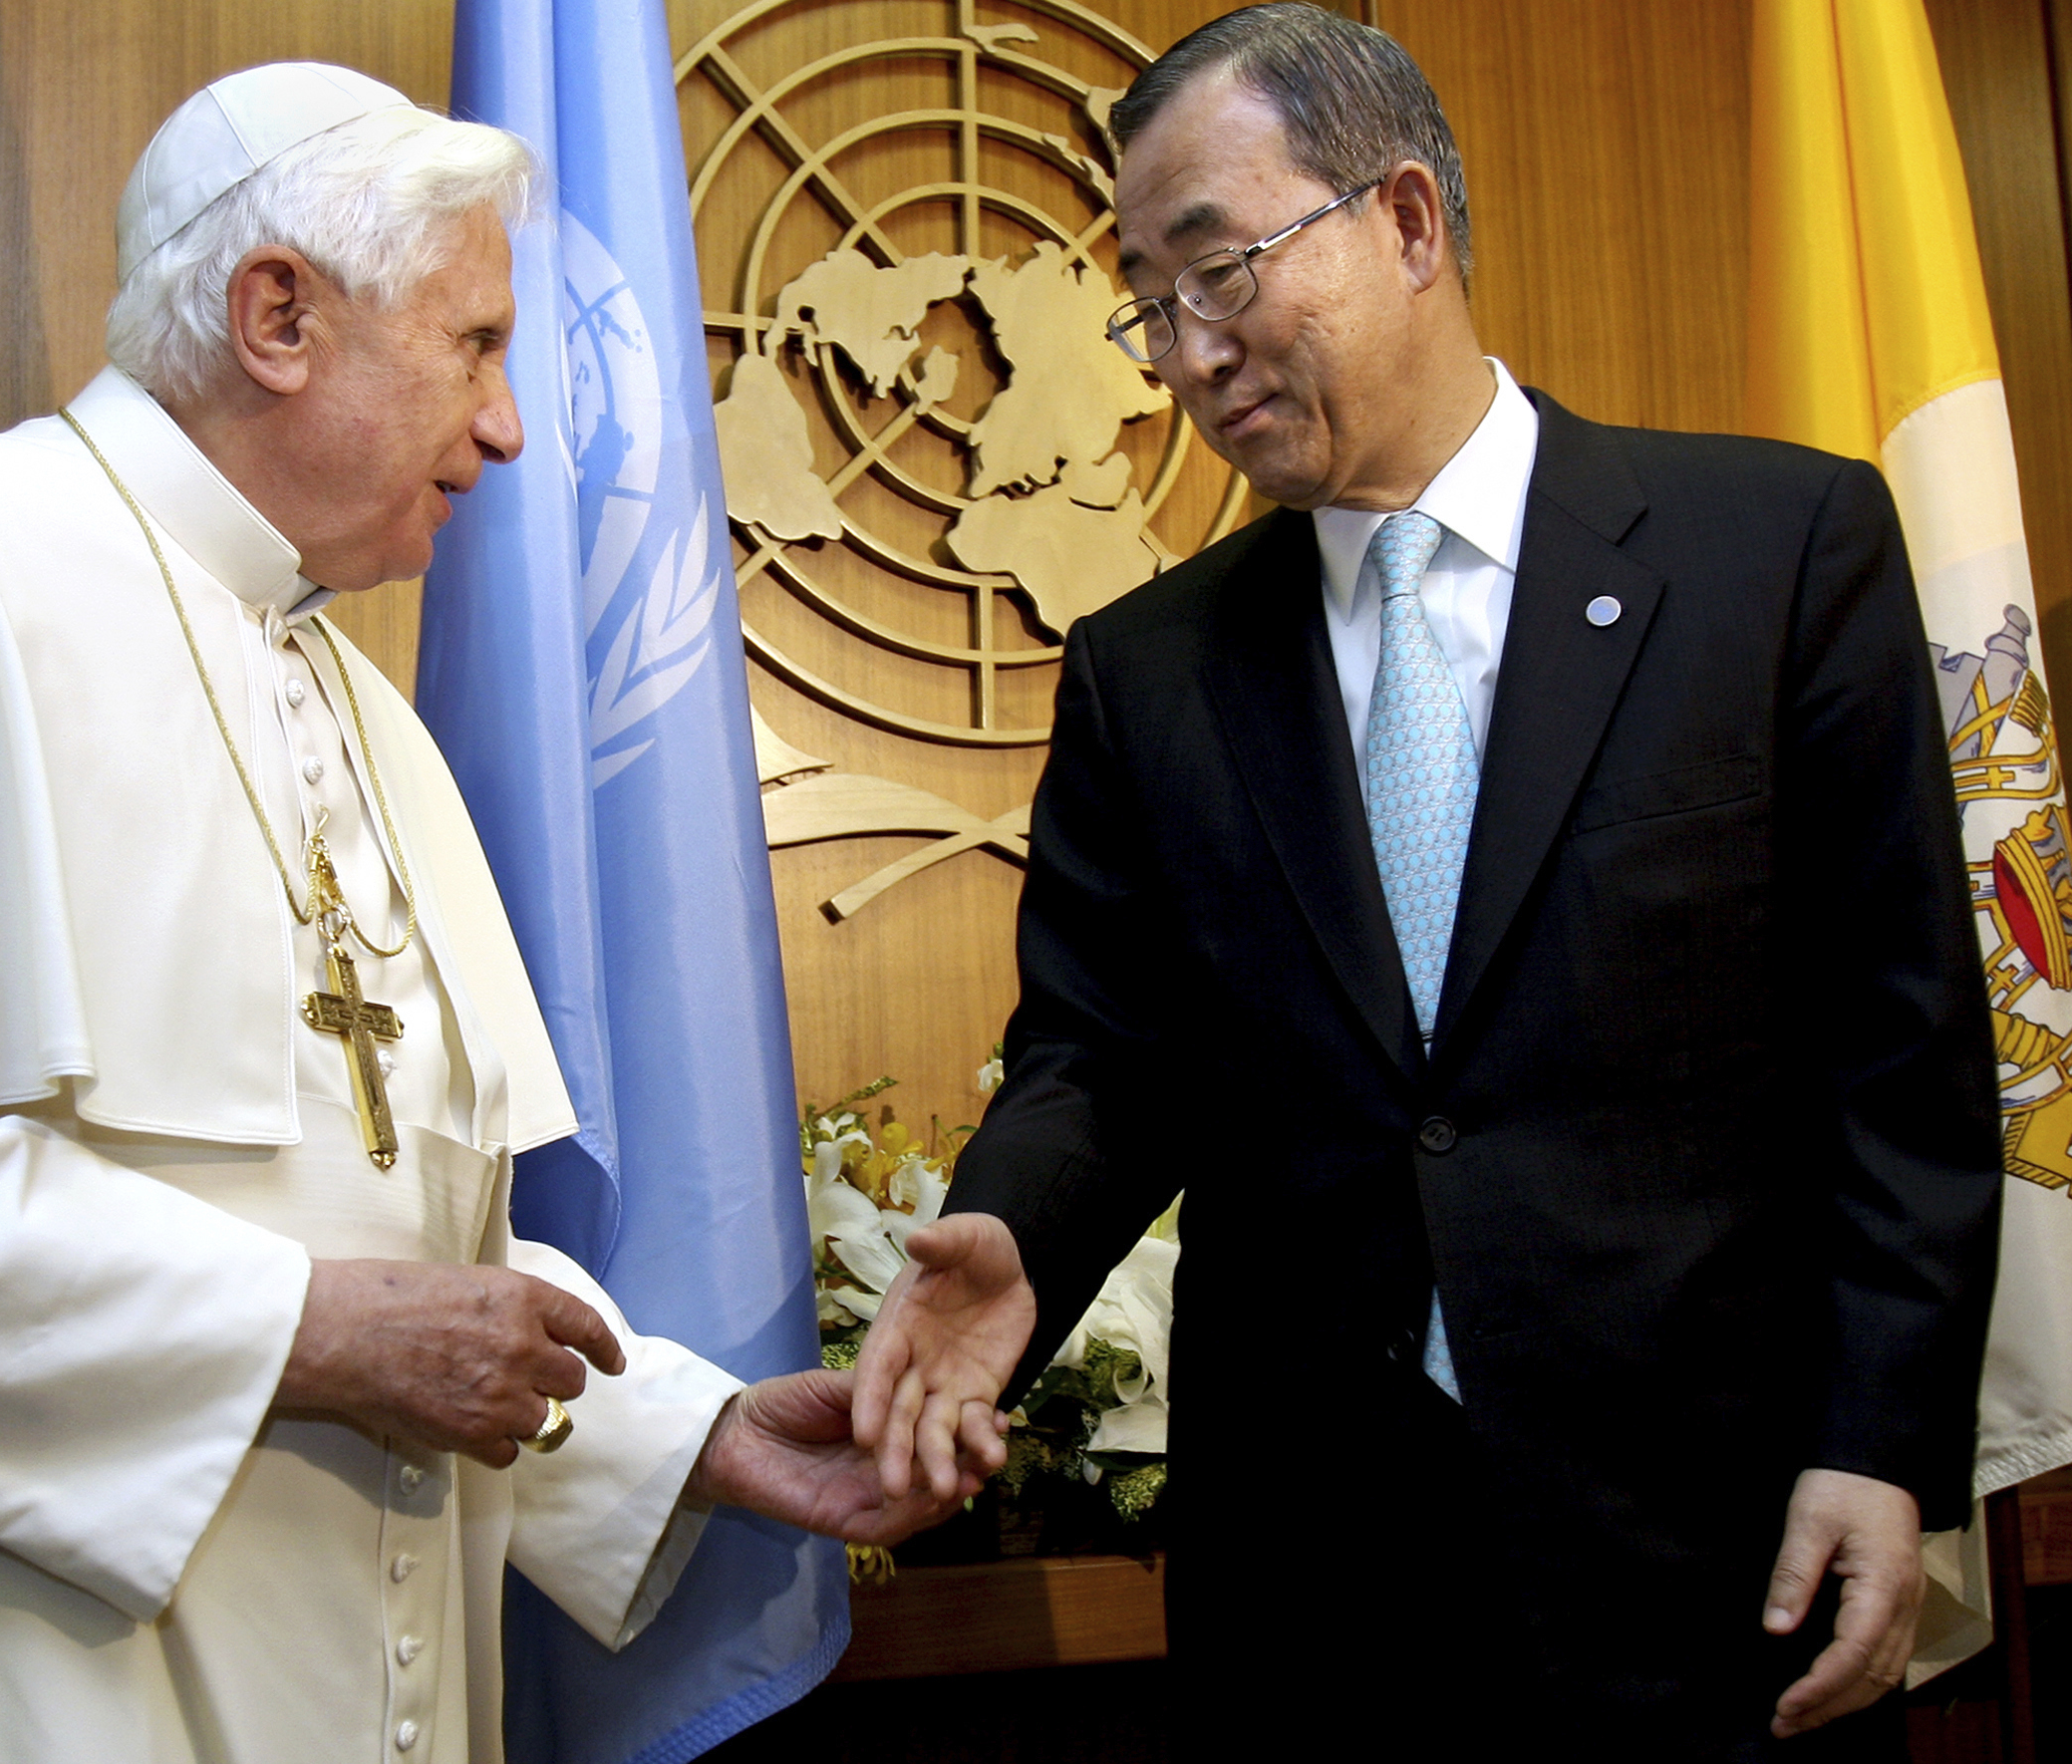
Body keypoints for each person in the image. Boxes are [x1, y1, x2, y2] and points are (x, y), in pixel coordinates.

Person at [0, 64, 972, 1764]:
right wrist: (290, 1331)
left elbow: (404, 1248)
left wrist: (692, 1432)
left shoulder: (372, 718)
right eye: (478, 345)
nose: (509, 429)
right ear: (280, 315)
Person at [854, 7, 2002, 1758]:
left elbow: (1902, 1055)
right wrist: (1015, 1230)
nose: (1186, 351)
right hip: (1317, 1595)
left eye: (1219, 270)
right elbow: (1103, 1054)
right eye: (1148, 303)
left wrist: (1880, 1436)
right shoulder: (1148, 671)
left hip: (1713, 1555)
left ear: (1405, 219)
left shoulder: (1777, 558)